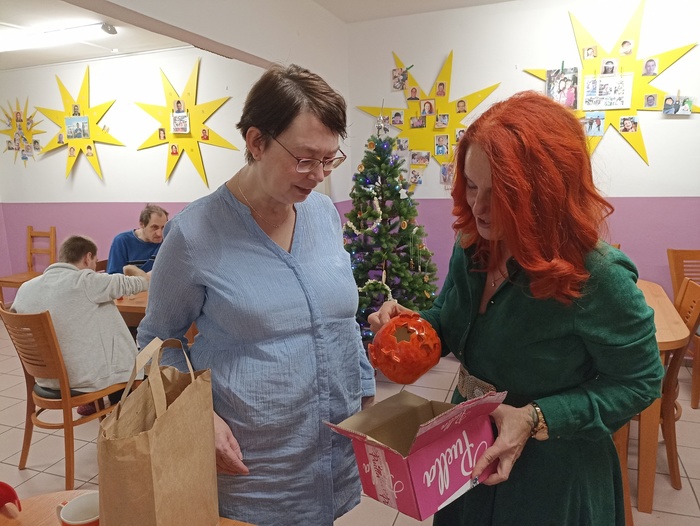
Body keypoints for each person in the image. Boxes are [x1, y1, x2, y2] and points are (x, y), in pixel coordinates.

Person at [369, 91, 663, 526]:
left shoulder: (596, 276)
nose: (478, 207)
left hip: (551, 471)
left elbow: (641, 382)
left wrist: (536, 418)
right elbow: (448, 320)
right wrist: (409, 329)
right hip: (467, 450)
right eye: (472, 186)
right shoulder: (472, 246)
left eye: (501, 194)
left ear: (548, 195)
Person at [137, 63, 376, 525]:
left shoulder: (323, 214)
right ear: (256, 142)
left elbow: (340, 320)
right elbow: (156, 342)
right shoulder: (194, 233)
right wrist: (197, 416)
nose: (318, 175)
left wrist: (364, 389)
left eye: (330, 160)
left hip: (331, 448)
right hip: (253, 464)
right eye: (305, 158)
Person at [12, 236, 149, 414]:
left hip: (44, 379)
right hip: (81, 379)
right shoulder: (86, 281)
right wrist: (131, 269)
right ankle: (127, 413)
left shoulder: (25, 288)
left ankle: (105, 406)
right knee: (134, 356)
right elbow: (143, 283)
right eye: (95, 262)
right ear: (88, 257)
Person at [106, 204, 169, 274]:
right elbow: (114, 277)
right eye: (154, 227)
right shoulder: (121, 241)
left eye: (163, 227)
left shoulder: (166, 241)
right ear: (142, 224)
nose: (159, 234)